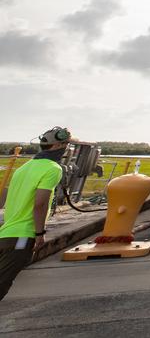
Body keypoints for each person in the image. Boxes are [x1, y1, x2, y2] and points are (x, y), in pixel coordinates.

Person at [0, 127, 70, 302]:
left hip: (5, 233)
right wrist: (40, 233)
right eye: (66, 144)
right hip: (21, 237)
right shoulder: (53, 168)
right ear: (58, 145)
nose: (67, 148)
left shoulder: (23, 168)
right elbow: (39, 203)